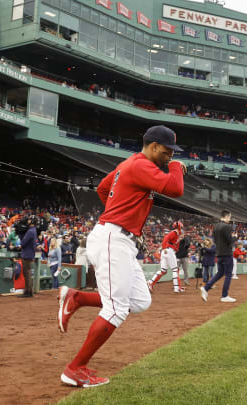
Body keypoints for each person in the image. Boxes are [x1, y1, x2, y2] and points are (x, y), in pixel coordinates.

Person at [56, 125, 185, 388]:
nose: (171, 154)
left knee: (139, 302)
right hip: (113, 238)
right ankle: (75, 368)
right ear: (153, 146)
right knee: (116, 309)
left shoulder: (130, 164)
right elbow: (175, 189)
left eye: (173, 152)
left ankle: (77, 297)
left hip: (120, 238)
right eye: (168, 150)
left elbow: (104, 189)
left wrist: (122, 211)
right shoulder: (140, 165)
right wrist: (177, 168)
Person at [200, 210, 237, 303]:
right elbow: (230, 241)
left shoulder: (215, 226)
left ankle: (206, 288)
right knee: (228, 274)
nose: (230, 219)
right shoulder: (226, 226)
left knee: (220, 273)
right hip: (227, 254)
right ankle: (224, 296)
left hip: (219, 254)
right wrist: (235, 237)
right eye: (230, 217)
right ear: (227, 216)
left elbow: (215, 240)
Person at [147, 221, 184, 293]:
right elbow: (166, 238)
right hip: (168, 250)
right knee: (175, 270)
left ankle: (150, 283)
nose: (181, 229)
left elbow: (174, 244)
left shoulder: (177, 235)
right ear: (179, 226)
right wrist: (164, 248)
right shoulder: (175, 232)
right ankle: (177, 288)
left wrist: (164, 249)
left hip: (166, 251)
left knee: (163, 270)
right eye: (181, 227)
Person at [19, 216, 38, 297]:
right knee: (28, 273)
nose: (28, 221)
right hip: (30, 253)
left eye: (30, 220)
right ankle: (28, 291)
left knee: (27, 273)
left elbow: (23, 243)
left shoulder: (30, 231)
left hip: (27, 254)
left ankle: (28, 292)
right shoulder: (33, 230)